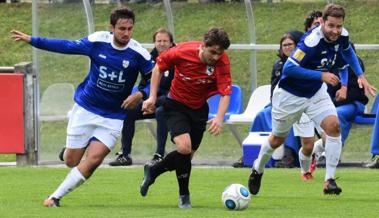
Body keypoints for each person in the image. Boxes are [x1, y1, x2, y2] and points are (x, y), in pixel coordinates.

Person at [11, 6, 155, 207]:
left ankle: (55, 197)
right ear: (111, 27)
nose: (126, 33)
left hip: (113, 116)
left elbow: (156, 77)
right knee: (71, 160)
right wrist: (33, 40)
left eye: (130, 29)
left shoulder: (138, 53)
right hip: (86, 108)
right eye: (122, 28)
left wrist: (141, 94)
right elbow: (67, 46)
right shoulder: (98, 41)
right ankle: (70, 150)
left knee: (94, 159)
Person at [248, 4, 376, 196]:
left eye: (338, 26)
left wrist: (360, 75)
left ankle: (329, 180)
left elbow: (347, 51)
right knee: (277, 139)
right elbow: (289, 69)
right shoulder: (310, 41)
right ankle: (258, 168)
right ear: (322, 22)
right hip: (290, 95)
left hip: (316, 93)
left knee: (334, 126)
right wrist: (321, 76)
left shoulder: (342, 35)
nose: (335, 31)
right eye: (331, 25)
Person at [140, 27, 232, 208]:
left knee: (186, 157)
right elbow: (158, 68)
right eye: (212, 52)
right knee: (184, 147)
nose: (215, 57)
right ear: (203, 46)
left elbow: (225, 92)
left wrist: (219, 118)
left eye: (219, 53)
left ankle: (154, 170)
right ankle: (184, 196)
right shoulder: (182, 51)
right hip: (175, 105)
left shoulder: (222, 61)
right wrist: (151, 96)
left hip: (199, 109)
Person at [109, 28, 175, 166]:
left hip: (171, 102)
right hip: (151, 102)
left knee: (160, 112)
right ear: (154, 43)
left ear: (171, 43)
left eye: (165, 41)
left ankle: (159, 155)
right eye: (159, 41)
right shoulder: (149, 60)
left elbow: (175, 90)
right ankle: (125, 155)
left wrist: (154, 102)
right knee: (128, 110)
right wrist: (145, 100)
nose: (162, 44)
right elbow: (143, 84)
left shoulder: (177, 60)